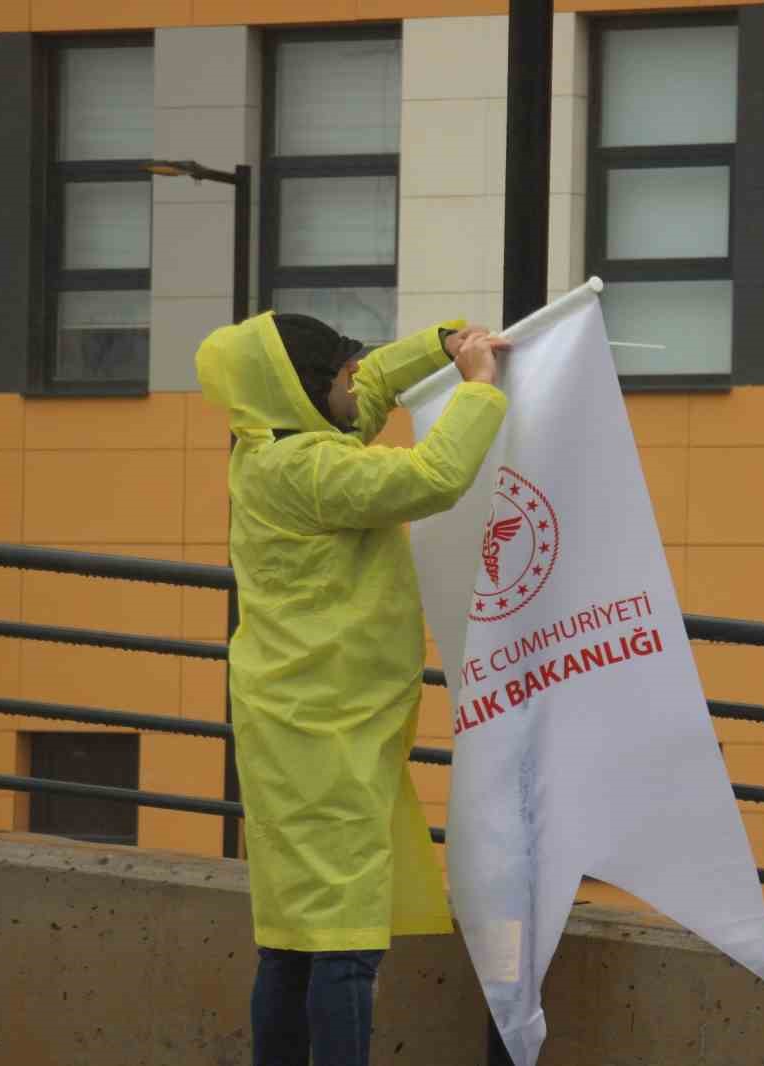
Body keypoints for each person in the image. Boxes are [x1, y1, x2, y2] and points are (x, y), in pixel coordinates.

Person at [195, 310, 510, 1066]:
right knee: (343, 939)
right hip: (325, 731)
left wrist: (433, 346)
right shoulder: (311, 470)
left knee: (293, 938)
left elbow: (367, 395)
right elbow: (432, 477)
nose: (354, 384)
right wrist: (479, 389)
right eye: (340, 374)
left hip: (296, 716)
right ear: (302, 390)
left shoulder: (268, 446)